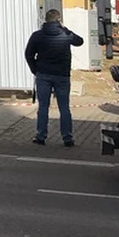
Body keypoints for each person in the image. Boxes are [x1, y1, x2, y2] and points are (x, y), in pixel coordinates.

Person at [24, 8, 83, 147]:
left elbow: (28, 54)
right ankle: (67, 138)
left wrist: (35, 70)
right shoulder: (66, 34)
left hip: (43, 74)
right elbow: (80, 41)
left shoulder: (37, 35)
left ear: (45, 19)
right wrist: (66, 29)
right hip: (62, 75)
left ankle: (41, 136)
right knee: (64, 108)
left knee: (43, 107)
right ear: (59, 20)